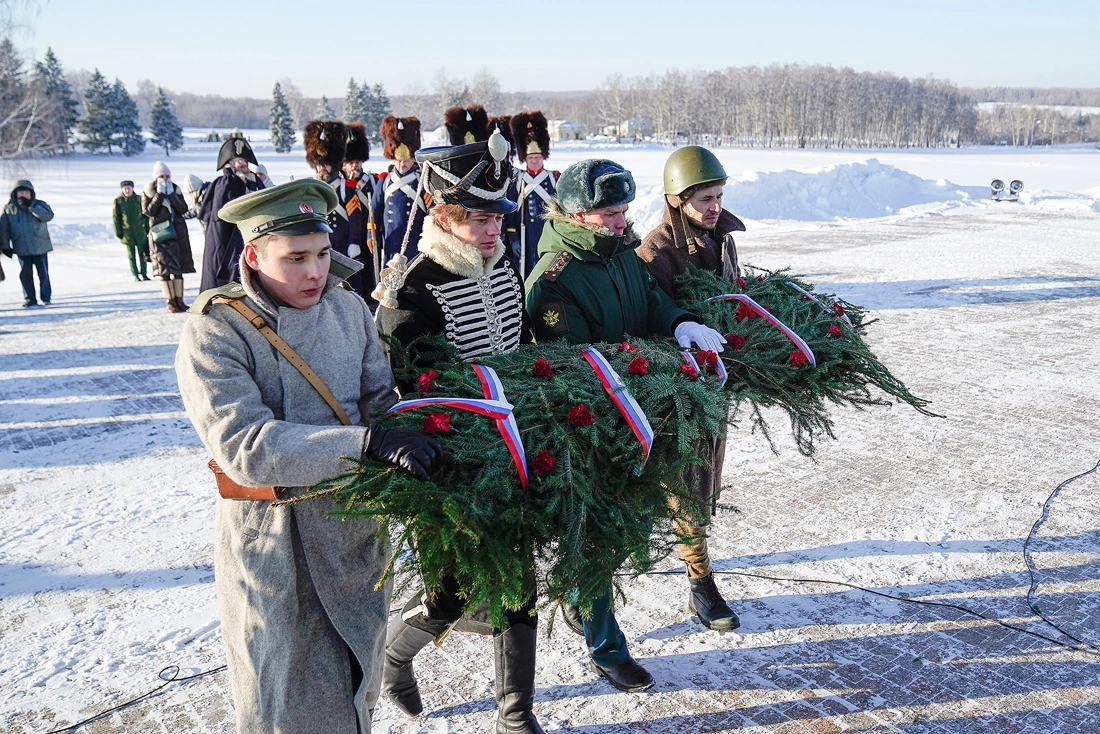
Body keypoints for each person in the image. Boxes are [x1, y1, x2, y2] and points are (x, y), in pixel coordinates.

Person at [175, 178, 443, 733]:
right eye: (294, 259)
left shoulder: (347, 310)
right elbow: (244, 445)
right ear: (253, 254)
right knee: (285, 702)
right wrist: (366, 445)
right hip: (274, 547)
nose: (315, 273)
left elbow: (378, 401)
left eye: (322, 255)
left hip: (353, 537)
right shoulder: (216, 329)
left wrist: (414, 432)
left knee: (356, 684)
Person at [525, 158, 727, 693]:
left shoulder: (619, 254)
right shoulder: (554, 280)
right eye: (608, 213)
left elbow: (651, 298)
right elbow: (570, 364)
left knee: (630, 526)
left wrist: (678, 321)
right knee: (595, 533)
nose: (621, 221)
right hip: (594, 425)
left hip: (641, 411)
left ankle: (582, 601)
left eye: (623, 211)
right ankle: (606, 646)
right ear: (574, 213)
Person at [374, 134, 543, 734]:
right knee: (449, 592)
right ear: (443, 216)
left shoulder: (506, 270)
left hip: (512, 451)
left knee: (518, 583)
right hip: (450, 459)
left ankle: (515, 717)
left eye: (498, 217)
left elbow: (520, 355)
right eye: (478, 218)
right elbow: (410, 388)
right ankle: (393, 659)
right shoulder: (413, 286)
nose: (494, 229)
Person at [635, 146, 745, 632]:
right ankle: (701, 583)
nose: (715, 207)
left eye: (719, 196)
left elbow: (733, 292)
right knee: (684, 484)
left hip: (712, 383)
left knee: (702, 484)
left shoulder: (722, 237)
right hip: (675, 390)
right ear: (677, 199)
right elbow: (644, 320)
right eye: (704, 199)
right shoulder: (656, 250)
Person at [199, 137, 267, 291]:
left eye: (244, 159)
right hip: (228, 241)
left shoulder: (254, 180)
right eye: (237, 159)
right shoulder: (225, 182)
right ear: (229, 162)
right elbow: (220, 220)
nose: (242, 162)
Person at [373, 116, 428, 266]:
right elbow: (375, 214)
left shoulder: (422, 183)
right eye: (398, 159)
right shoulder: (383, 183)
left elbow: (431, 214)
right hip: (391, 242)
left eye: (406, 159)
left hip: (416, 243)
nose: (402, 164)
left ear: (412, 159)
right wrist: (370, 236)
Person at [510, 112, 560, 278]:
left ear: (543, 157)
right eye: (531, 157)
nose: (534, 161)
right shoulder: (518, 180)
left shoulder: (553, 178)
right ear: (526, 159)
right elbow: (511, 209)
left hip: (546, 230)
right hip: (526, 233)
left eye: (537, 157)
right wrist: (513, 236)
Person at [142, 161, 195, 313]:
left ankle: (180, 300)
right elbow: (148, 211)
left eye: (166, 176)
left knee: (178, 269)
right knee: (164, 269)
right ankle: (170, 301)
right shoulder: (148, 191)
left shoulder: (175, 189)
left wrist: (171, 195)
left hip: (177, 233)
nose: (164, 179)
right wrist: (159, 194)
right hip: (160, 235)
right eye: (161, 176)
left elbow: (183, 209)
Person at [0, 179, 54, 307]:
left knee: (43, 273)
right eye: (20, 192)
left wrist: (31, 206)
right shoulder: (9, 209)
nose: (23, 194)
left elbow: (48, 216)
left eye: (26, 192)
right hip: (21, 247)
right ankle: (30, 298)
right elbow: (4, 228)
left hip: (40, 246)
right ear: (15, 194)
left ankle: (46, 297)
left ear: (31, 193)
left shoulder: (39, 205)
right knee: (25, 274)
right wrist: (6, 246)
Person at [341, 121, 380, 298]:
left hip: (367, 228)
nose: (354, 166)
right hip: (349, 231)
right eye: (350, 162)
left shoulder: (369, 180)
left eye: (357, 162)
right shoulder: (341, 185)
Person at [113, 180, 150, 282]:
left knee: (143, 254)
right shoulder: (119, 201)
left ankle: (144, 273)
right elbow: (116, 218)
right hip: (127, 233)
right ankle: (135, 274)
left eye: (129, 188)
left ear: (132, 188)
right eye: (125, 189)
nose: (127, 190)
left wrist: (147, 229)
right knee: (131, 255)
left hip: (140, 231)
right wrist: (119, 232)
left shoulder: (139, 199)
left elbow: (145, 215)